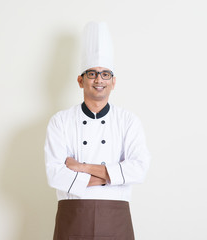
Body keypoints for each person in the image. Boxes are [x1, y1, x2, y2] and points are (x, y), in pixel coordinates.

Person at [44, 22, 150, 240]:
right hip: (72, 215)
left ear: (113, 82)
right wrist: (115, 174)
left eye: (105, 74)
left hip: (116, 216)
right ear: (80, 81)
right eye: (92, 73)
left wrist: (81, 167)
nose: (99, 79)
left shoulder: (128, 120)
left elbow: (138, 169)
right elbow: (55, 174)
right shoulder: (60, 121)